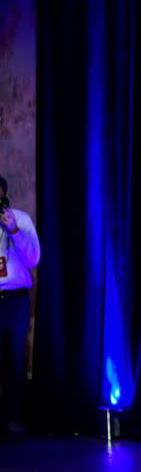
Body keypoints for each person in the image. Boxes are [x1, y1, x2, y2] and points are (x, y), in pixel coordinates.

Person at [0, 175, 40, 435]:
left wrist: (14, 230)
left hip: (15, 300)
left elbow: (33, 258)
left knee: (14, 359)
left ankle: (12, 418)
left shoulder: (20, 219)